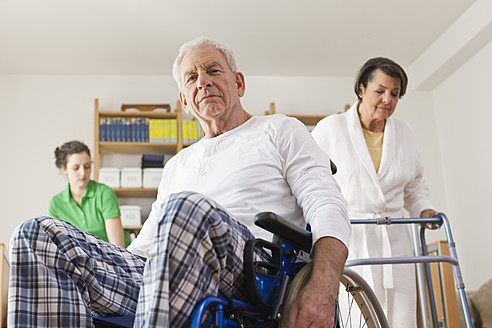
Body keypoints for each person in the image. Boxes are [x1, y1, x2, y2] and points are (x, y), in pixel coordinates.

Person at [8, 38, 350, 328]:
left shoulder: (279, 130)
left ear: (239, 82)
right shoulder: (178, 164)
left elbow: (326, 203)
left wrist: (324, 286)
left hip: (250, 270)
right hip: (161, 270)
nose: (203, 81)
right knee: (36, 234)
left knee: (186, 207)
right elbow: (143, 249)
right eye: (192, 77)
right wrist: (103, 260)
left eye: (213, 70)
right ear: (185, 101)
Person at [311, 57, 439, 327]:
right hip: (354, 237)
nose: (387, 100)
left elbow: (415, 184)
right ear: (361, 89)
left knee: (402, 315)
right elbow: (311, 179)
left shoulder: (404, 133)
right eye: (379, 91)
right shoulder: (331, 129)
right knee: (359, 314)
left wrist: (424, 208)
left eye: (394, 94)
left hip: (396, 240)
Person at [49, 140, 131, 248]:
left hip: (114, 256)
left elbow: (117, 246)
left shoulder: (104, 193)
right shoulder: (56, 203)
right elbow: (60, 246)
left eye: (87, 166)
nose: (83, 173)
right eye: (76, 168)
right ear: (64, 169)